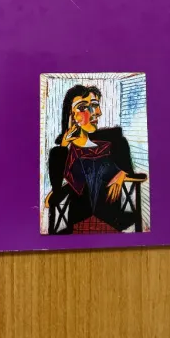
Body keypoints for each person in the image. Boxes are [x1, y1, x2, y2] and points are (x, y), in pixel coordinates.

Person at [47, 84, 145, 233]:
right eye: (83, 107)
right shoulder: (61, 152)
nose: (96, 113)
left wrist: (122, 174)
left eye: (94, 105)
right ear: (70, 115)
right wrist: (64, 145)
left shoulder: (114, 144)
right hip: (79, 221)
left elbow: (131, 173)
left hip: (110, 219)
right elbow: (57, 190)